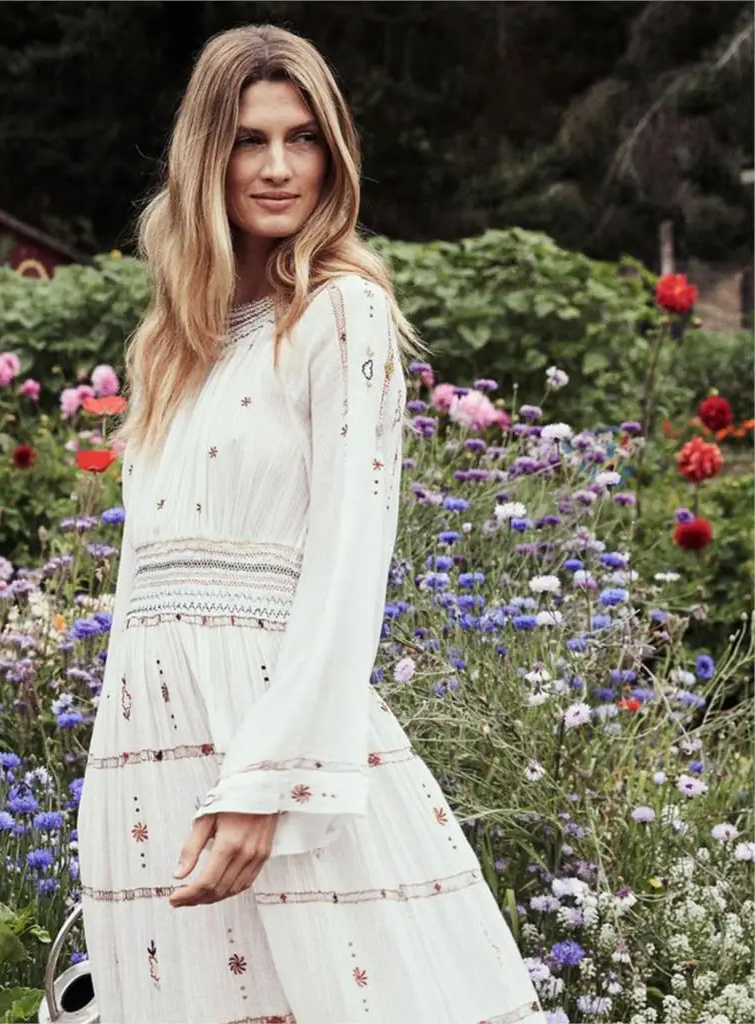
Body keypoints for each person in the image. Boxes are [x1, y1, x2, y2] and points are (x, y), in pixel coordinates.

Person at [78, 23, 545, 1024]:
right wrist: (107, 782)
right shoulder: (169, 343)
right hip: (148, 743)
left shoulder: (341, 313)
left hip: (271, 734)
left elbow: (347, 562)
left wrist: (268, 781)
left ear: (334, 156)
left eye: (304, 140)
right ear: (206, 156)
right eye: (250, 140)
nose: (280, 168)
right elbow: (137, 578)